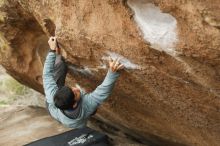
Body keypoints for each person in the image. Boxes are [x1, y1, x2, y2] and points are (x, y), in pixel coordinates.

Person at [43, 36, 124, 128]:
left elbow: (47, 75)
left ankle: (58, 57)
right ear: (74, 105)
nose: (76, 89)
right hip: (74, 120)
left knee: (60, 66)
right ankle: (88, 112)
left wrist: (52, 51)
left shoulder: (52, 95)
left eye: (71, 88)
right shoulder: (86, 106)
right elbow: (102, 92)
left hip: (53, 108)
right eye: (75, 94)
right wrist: (112, 72)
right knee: (92, 109)